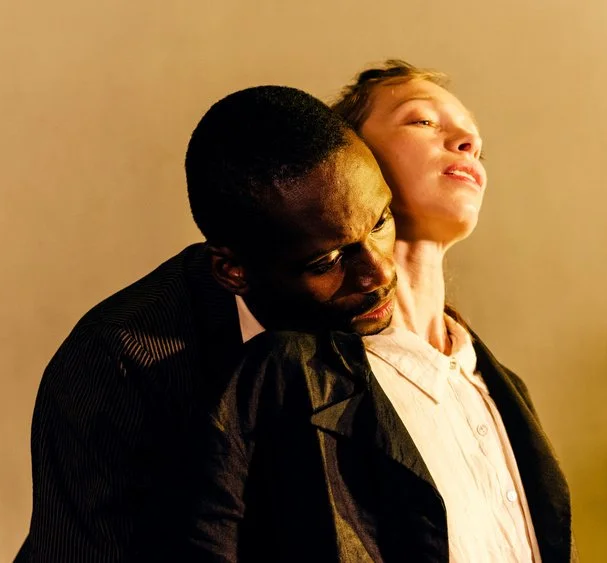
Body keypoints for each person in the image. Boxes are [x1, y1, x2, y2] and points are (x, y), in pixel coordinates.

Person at [184, 61, 576, 562]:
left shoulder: (500, 386)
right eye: (423, 120)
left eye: (474, 138)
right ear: (351, 155)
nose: (468, 142)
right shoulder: (286, 373)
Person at [15, 85, 397, 561]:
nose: (380, 272)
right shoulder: (120, 364)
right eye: (328, 261)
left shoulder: (388, 313)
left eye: (381, 222)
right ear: (233, 271)